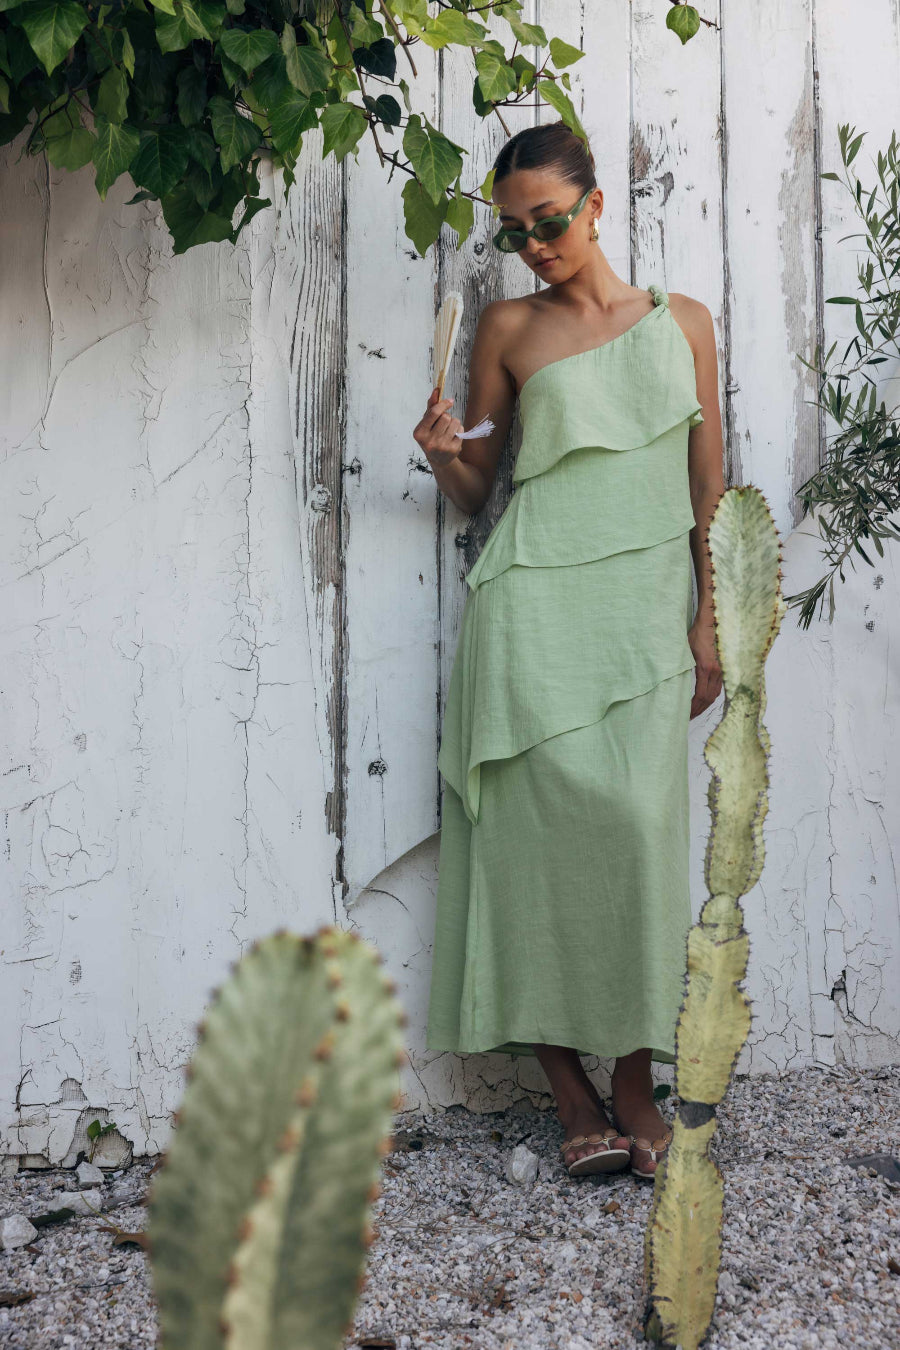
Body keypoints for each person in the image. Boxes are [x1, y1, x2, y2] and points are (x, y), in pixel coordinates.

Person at [414, 121, 725, 1180]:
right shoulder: (506, 325)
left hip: (640, 618)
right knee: (529, 849)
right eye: (517, 231)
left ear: (595, 206)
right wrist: (446, 455)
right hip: (531, 617)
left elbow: (706, 492)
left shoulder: (683, 322)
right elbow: (483, 496)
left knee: (636, 838)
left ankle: (634, 1080)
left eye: (551, 221)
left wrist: (708, 624)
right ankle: (569, 1092)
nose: (538, 244)